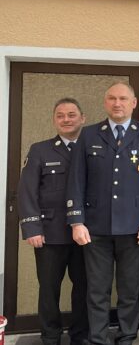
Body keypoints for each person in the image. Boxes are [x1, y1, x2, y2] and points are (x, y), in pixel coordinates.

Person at [67, 82, 139, 345]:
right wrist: (76, 221)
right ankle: (98, 338)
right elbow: (76, 181)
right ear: (105, 102)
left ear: (134, 103)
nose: (117, 103)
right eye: (112, 98)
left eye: (123, 98)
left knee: (129, 291)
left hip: (135, 229)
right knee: (97, 290)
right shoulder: (88, 135)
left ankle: (126, 337)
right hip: (95, 228)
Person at [18, 97, 88, 345]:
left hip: (86, 236)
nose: (66, 119)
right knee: (49, 290)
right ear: (54, 120)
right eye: (60, 115)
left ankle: (80, 335)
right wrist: (32, 227)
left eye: (71, 114)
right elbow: (27, 192)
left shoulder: (91, 148)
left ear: (83, 118)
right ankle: (50, 336)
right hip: (49, 234)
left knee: (84, 289)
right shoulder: (40, 150)